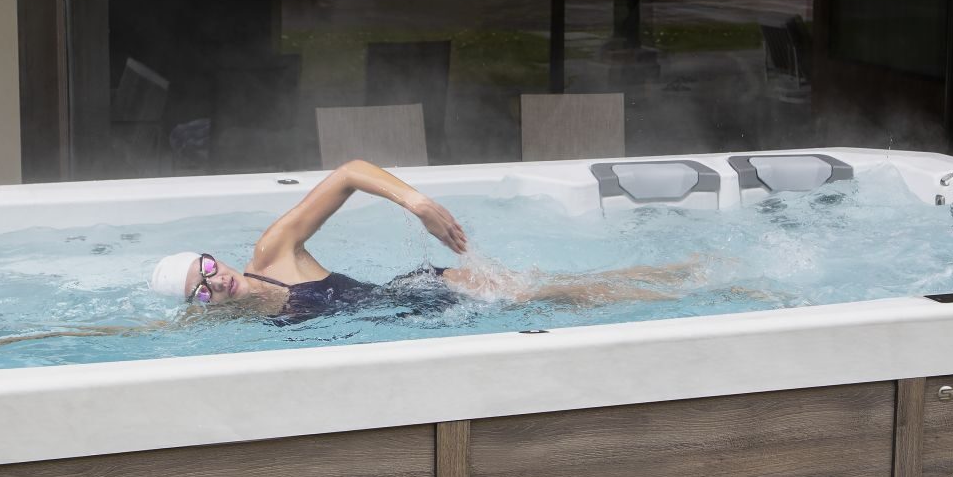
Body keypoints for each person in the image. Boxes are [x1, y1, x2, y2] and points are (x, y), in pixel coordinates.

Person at [145, 158, 700, 323]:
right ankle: (686, 281)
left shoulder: (273, 256)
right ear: (199, 310)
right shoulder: (245, 326)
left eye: (207, 266)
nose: (216, 281)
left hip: (427, 288)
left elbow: (348, 173)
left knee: (563, 293)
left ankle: (690, 287)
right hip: (421, 319)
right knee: (562, 293)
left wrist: (418, 204)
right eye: (201, 290)